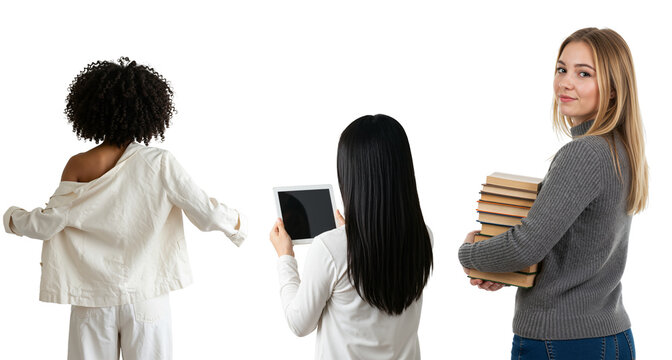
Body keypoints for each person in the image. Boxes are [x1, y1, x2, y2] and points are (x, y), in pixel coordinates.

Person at [3, 57, 246, 360]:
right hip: (147, 297)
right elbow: (207, 215)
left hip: (92, 298)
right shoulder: (160, 163)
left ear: (90, 110)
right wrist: (236, 222)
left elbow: (47, 224)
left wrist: (11, 218)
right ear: (150, 112)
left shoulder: (79, 165)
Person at [458, 28, 647, 359]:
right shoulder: (620, 151)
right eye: (562, 69)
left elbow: (526, 245)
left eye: (583, 73)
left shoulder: (584, 153)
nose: (565, 83)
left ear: (614, 90)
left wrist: (470, 254)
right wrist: (504, 271)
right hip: (610, 336)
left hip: (561, 343)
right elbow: (573, 252)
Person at [269, 114, 433, 359]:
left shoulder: (329, 248)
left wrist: (285, 256)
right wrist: (357, 234)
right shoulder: (424, 236)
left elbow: (299, 323)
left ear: (349, 174)